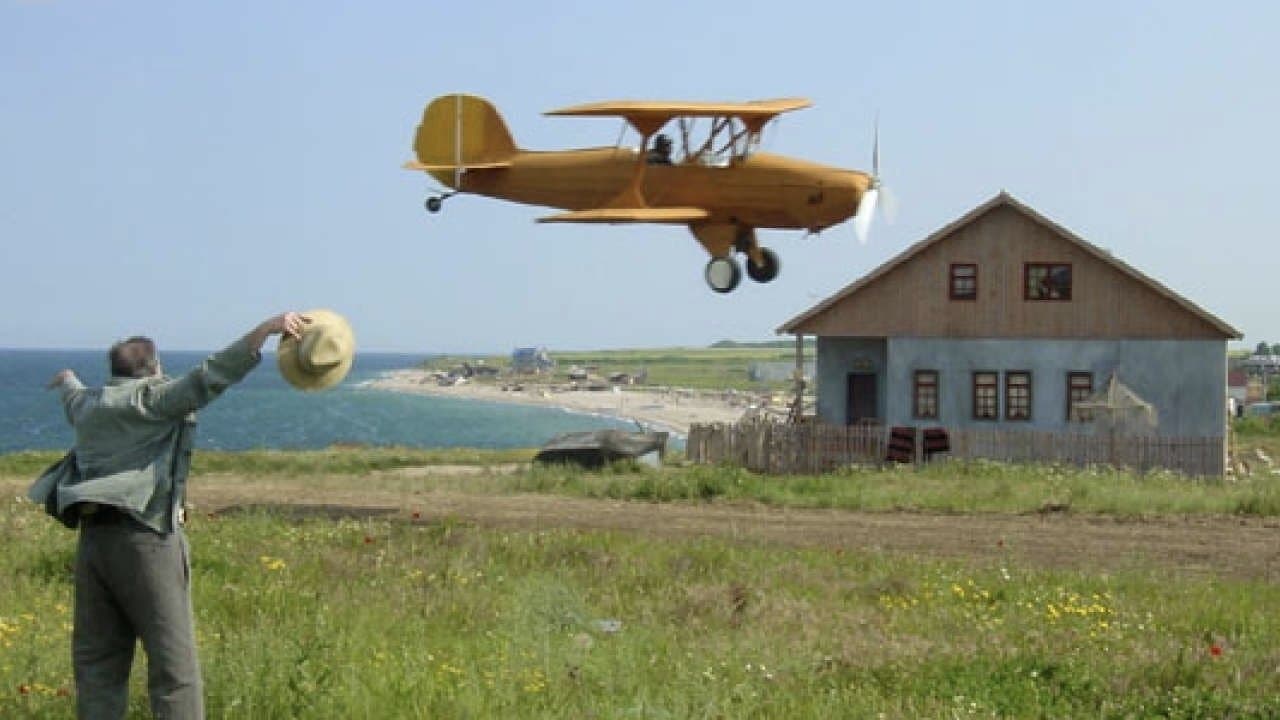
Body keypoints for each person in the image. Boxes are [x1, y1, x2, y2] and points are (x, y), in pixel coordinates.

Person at [35, 311, 306, 719]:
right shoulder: (154, 401)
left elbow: (72, 394)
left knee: (98, 667)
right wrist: (266, 329)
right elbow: (210, 375)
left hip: (93, 544)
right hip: (145, 540)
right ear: (153, 369)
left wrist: (67, 379)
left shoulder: (89, 405)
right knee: (174, 670)